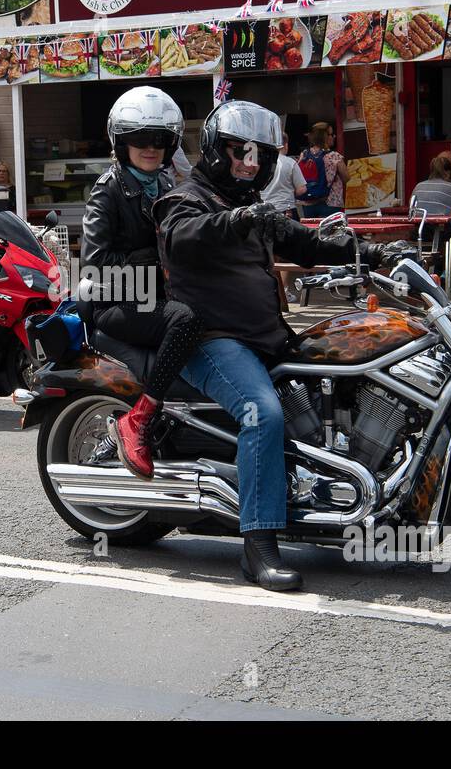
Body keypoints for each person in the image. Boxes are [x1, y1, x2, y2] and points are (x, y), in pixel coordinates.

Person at [155, 100, 417, 592]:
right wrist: (240, 220)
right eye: (239, 152)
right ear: (215, 150)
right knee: (263, 413)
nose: (249, 163)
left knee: (350, 377)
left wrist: (377, 252)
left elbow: (309, 243)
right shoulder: (186, 199)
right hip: (213, 340)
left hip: (267, 336)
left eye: (258, 155)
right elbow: (182, 239)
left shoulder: (252, 207)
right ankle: (258, 547)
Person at [80, 86, 202, 480]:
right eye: (139, 139)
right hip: (117, 300)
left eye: (161, 140)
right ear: (121, 142)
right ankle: (140, 419)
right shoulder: (108, 191)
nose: (151, 148)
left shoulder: (167, 186)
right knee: (185, 320)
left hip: (153, 295)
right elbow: (94, 266)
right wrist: (152, 263)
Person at [296, 121, 347, 219]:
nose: (334, 136)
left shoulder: (304, 154)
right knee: (330, 233)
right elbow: (346, 178)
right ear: (324, 136)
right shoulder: (334, 156)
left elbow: (297, 175)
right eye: (331, 134)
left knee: (312, 232)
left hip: (308, 202)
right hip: (331, 203)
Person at [260, 132, 306, 220]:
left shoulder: (261, 162)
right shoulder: (290, 163)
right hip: (287, 209)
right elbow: (302, 189)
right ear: (285, 145)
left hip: (264, 210)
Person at [409, 150, 451, 216]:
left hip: (419, 224)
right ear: (448, 172)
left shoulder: (418, 186)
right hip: (441, 225)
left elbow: (411, 206)